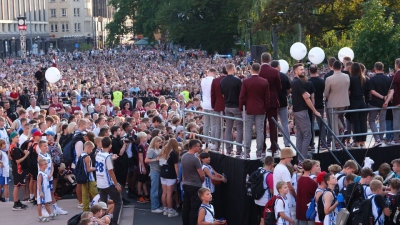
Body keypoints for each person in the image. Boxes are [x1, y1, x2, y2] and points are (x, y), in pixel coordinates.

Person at [291, 64, 321, 162]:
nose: (303, 71)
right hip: (302, 112)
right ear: (296, 71)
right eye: (301, 69)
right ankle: (303, 160)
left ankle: (300, 160)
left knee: (300, 136)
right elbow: (306, 98)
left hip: (297, 112)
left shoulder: (294, 82)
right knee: (307, 135)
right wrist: (315, 110)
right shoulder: (298, 82)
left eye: (303, 69)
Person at [239, 63, 270, 158]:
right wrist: (266, 109)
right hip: (261, 109)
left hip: (249, 109)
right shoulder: (264, 82)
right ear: (259, 70)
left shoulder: (246, 81)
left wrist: (241, 108)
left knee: (247, 130)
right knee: (260, 131)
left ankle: (247, 152)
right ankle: (259, 152)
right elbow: (267, 98)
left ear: (251, 70)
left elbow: (242, 96)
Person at [324, 60, 350, 149]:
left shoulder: (329, 79)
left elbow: (326, 93)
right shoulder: (347, 77)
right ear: (341, 67)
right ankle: (342, 127)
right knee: (337, 117)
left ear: (332, 67)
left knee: (334, 122)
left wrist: (327, 96)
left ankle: (337, 142)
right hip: (344, 102)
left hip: (333, 103)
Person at [95, 136, 122, 225]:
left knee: (103, 203)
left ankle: (102, 220)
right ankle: (114, 222)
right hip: (107, 183)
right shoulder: (107, 157)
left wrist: (111, 158)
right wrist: (117, 184)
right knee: (118, 202)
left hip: (100, 182)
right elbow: (111, 172)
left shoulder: (98, 153)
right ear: (110, 145)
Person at [259, 53, 282, 155]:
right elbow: (279, 87)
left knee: (261, 126)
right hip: (272, 101)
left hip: (261, 101)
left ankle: (262, 148)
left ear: (261, 60)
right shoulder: (274, 71)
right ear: (270, 60)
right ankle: (274, 147)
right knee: (273, 125)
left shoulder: (257, 71)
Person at [368, 62, 394, 147]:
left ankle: (377, 139)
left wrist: (383, 98)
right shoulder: (388, 79)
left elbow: (372, 91)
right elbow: (392, 91)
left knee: (371, 120)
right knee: (382, 120)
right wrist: (386, 101)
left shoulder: (372, 79)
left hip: (374, 103)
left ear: (375, 69)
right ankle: (380, 137)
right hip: (384, 104)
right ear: (383, 68)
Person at [220, 63, 243, 156]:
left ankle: (228, 149)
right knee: (239, 128)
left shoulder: (222, 81)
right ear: (233, 69)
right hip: (236, 106)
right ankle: (238, 149)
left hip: (227, 106)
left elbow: (222, 95)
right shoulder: (238, 81)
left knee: (228, 128)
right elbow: (241, 94)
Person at [181, 139, 205, 225]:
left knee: (186, 206)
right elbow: (201, 174)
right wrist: (202, 180)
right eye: (198, 146)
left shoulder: (183, 156)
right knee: (194, 208)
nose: (199, 148)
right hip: (195, 186)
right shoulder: (195, 159)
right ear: (194, 147)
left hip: (186, 184)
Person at [271, 60, 291, 148]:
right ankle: (287, 143)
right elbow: (289, 89)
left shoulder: (270, 76)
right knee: (285, 124)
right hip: (283, 102)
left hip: (273, 103)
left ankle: (274, 144)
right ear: (279, 67)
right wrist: (285, 95)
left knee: (273, 124)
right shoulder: (284, 76)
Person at [348, 63, 369, 148]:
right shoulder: (364, 79)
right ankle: (363, 141)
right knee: (363, 122)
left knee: (356, 122)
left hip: (354, 102)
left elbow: (349, 92)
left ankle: (357, 141)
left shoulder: (351, 79)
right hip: (362, 102)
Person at [159, 138, 180, 217]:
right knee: (169, 194)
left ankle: (165, 209)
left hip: (163, 174)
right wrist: (178, 176)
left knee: (164, 193)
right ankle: (170, 210)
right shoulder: (173, 153)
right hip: (171, 175)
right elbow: (176, 166)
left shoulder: (163, 151)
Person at [144, 136, 163, 213]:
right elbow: (146, 160)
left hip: (159, 171)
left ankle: (157, 205)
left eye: (161, 142)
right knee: (155, 189)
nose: (160, 144)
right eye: (159, 142)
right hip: (154, 171)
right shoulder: (151, 150)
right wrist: (156, 159)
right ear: (155, 142)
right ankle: (154, 207)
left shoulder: (158, 150)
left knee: (159, 190)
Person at [296, 159, 318, 225]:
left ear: (302, 167)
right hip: (309, 210)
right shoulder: (312, 182)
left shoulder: (299, 180)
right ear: (311, 168)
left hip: (300, 208)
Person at [210, 67, 227, 152]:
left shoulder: (215, 81)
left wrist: (214, 105)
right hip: (228, 106)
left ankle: (217, 146)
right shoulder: (231, 80)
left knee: (218, 127)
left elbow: (212, 94)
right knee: (229, 127)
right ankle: (229, 147)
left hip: (218, 106)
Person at [255, 156, 274, 225]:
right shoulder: (270, 175)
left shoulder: (258, 170)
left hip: (257, 199)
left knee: (259, 218)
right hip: (265, 202)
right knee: (264, 220)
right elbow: (272, 191)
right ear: (272, 164)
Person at [81, 141, 98, 212]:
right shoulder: (87, 157)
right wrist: (96, 168)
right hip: (90, 178)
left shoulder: (81, 155)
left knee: (85, 195)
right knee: (96, 195)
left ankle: (85, 210)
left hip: (83, 178)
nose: (91, 151)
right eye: (91, 149)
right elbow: (88, 169)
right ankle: (98, 209)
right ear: (88, 147)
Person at [200, 68, 216, 149]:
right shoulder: (214, 80)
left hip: (205, 104)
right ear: (213, 73)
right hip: (212, 104)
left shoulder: (203, 80)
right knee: (213, 124)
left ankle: (205, 142)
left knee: (206, 124)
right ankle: (213, 142)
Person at [136, 132, 150, 204]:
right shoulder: (140, 146)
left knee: (144, 180)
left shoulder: (145, 145)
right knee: (140, 181)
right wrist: (143, 167)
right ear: (141, 138)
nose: (146, 138)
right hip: (142, 165)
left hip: (145, 164)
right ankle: (139, 196)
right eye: (144, 137)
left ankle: (146, 194)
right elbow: (140, 157)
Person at [392, 58, 400, 145]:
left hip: (398, 102)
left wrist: (397, 101)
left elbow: (395, 90)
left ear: (396, 65)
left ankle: (396, 139)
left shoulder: (397, 75)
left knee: (397, 120)